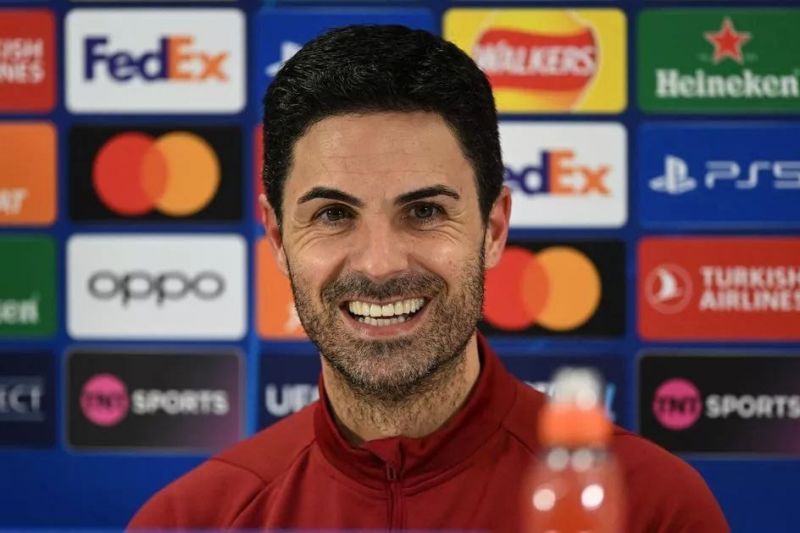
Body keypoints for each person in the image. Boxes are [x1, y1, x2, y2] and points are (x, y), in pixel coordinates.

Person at [128, 25, 729, 532]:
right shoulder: (192, 520)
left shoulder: (652, 508)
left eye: (423, 211)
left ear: (494, 229)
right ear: (280, 238)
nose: (380, 264)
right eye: (333, 215)